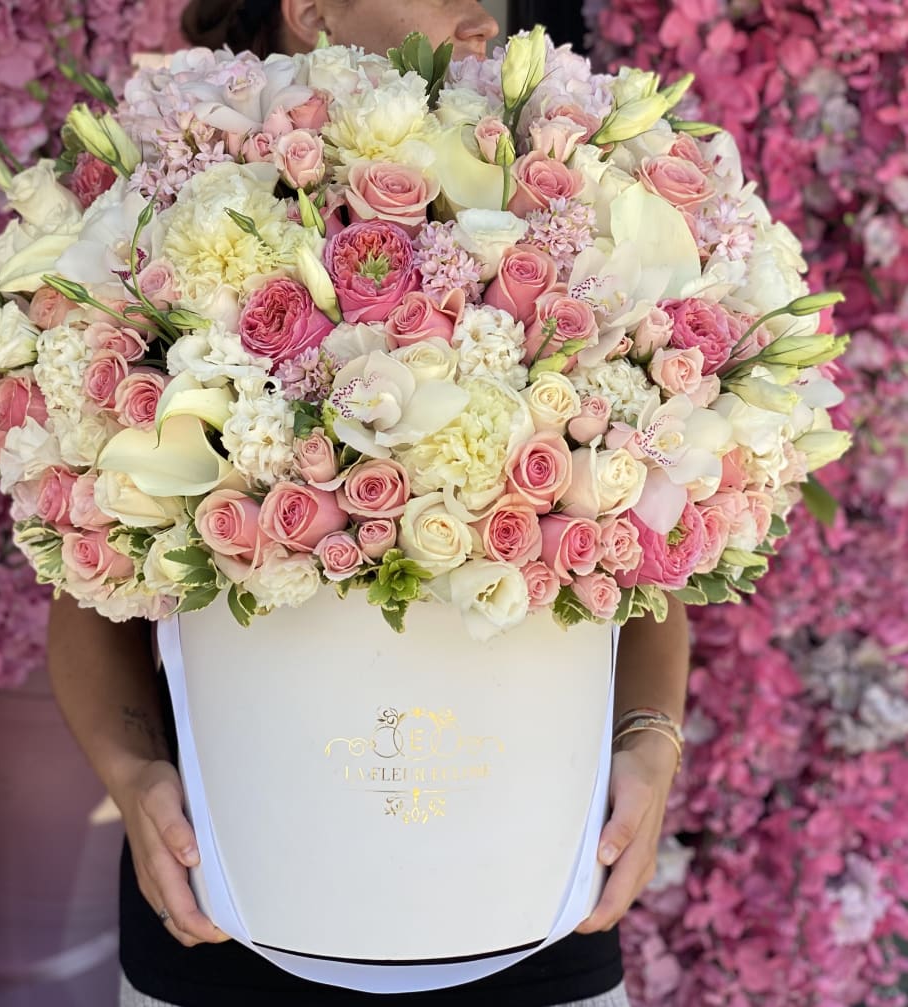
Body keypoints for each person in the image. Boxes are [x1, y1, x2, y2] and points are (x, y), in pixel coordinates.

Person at [47, 1, 691, 1004]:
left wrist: (648, 743)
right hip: (228, 915)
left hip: (532, 913)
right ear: (308, 11)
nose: (481, 7)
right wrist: (134, 778)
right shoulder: (169, 228)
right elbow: (88, 587)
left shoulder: (574, 217)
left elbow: (639, 563)